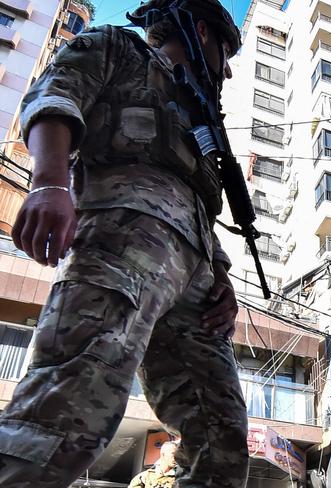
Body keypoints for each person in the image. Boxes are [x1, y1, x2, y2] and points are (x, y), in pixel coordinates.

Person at [0, 1, 249, 487]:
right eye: (226, 51)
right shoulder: (118, 48)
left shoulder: (199, 111)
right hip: (125, 237)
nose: (229, 69)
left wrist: (221, 278)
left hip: (196, 280)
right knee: (69, 407)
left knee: (220, 439)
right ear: (201, 31)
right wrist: (49, 182)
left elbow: (200, 200)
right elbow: (54, 98)